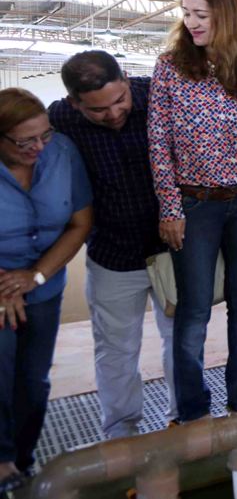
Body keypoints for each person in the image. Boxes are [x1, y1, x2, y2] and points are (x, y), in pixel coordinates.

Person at [148, 0, 237, 426]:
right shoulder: (170, 66)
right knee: (194, 309)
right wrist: (170, 207)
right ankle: (194, 411)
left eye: (201, 14)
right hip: (194, 203)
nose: (192, 23)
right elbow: (158, 143)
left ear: (227, 16)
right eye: (186, 14)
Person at [48, 50, 177, 439]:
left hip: (172, 252)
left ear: (125, 77)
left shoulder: (158, 97)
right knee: (116, 350)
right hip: (111, 256)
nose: (115, 113)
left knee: (182, 340)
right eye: (98, 110)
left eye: (120, 100)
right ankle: (121, 431)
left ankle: (186, 416)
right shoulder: (60, 117)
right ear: (75, 103)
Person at [0, 88, 93, 492]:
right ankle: (1, 460)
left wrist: (35, 276)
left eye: (45, 135)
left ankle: (22, 457)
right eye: (25, 142)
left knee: (33, 380)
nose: (39, 146)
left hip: (44, 285)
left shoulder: (63, 152)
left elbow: (79, 223)